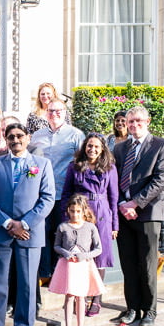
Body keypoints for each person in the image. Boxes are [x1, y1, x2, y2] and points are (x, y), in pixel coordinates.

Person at [0, 123, 55, 326]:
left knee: (27, 285)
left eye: (19, 136)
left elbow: (48, 198)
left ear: (28, 137)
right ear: (6, 139)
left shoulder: (42, 164)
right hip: (1, 231)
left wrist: (23, 224)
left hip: (29, 234)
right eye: (11, 137)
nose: (15, 140)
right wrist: (7, 223)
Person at [112, 106, 164, 326]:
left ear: (147, 121)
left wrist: (135, 203)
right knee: (128, 264)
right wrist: (121, 204)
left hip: (149, 212)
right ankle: (131, 309)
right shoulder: (119, 149)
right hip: (123, 214)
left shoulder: (161, 145)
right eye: (130, 122)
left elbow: (161, 179)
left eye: (138, 121)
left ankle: (149, 310)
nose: (134, 125)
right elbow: (113, 179)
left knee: (147, 264)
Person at [60, 133, 119, 316]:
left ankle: (96, 298)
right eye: (89, 146)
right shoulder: (75, 167)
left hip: (102, 214)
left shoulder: (109, 168)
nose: (92, 149)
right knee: (80, 255)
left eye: (96, 147)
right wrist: (66, 219)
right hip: (80, 213)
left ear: (102, 149)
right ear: (84, 147)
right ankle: (81, 296)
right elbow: (66, 193)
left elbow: (114, 197)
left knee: (99, 257)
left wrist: (114, 225)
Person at [28, 99, 85, 281]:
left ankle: (60, 274)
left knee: (62, 233)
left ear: (65, 112)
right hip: (41, 194)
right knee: (42, 233)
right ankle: (44, 273)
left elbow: (82, 164)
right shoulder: (37, 136)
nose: (55, 114)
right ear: (46, 113)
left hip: (64, 193)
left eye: (59, 110)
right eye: (51, 111)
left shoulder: (76, 135)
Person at [49, 194, 106, 326]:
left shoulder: (90, 227)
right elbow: (56, 246)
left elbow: (99, 249)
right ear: (68, 210)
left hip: (83, 265)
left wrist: (85, 255)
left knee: (81, 296)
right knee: (69, 296)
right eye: (72, 211)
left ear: (84, 211)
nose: (75, 214)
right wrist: (65, 253)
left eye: (78, 211)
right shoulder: (63, 227)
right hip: (67, 265)